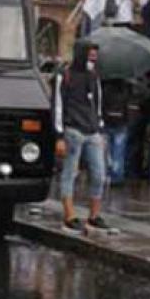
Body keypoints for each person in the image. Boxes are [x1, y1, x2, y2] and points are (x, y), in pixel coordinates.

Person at [52, 40, 110, 232]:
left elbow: (99, 103)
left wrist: (100, 129)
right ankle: (70, 215)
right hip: (72, 130)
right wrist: (59, 134)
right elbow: (58, 104)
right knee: (70, 172)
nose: (93, 57)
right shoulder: (64, 75)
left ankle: (94, 215)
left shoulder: (94, 76)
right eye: (90, 54)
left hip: (92, 130)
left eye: (95, 54)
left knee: (99, 174)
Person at [101, 77, 135, 186]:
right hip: (121, 123)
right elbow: (128, 108)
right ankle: (117, 177)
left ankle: (106, 174)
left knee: (108, 151)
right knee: (119, 152)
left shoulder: (105, 89)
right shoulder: (127, 89)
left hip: (107, 121)